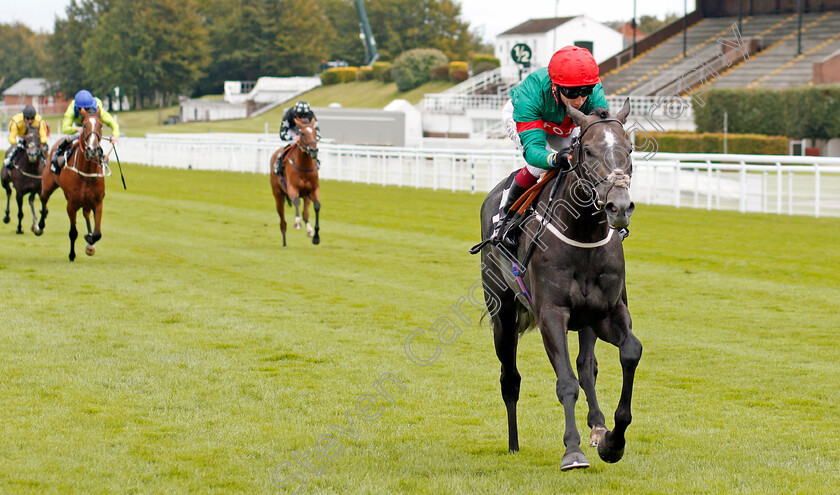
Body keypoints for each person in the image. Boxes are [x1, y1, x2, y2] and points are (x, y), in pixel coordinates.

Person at [492, 45, 609, 247]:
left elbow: (601, 137)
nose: (580, 100)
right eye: (573, 93)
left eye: (585, 92)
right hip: (526, 118)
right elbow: (534, 151)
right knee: (542, 165)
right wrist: (555, 158)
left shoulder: (595, 94)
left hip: (564, 123)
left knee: (586, 160)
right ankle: (505, 217)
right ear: (556, 86)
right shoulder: (531, 94)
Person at [51, 90, 120, 173]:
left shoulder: (98, 109)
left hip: (91, 129)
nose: (84, 111)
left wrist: (115, 135)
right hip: (78, 128)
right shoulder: (71, 109)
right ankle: (57, 155)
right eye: (80, 109)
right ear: (77, 108)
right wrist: (77, 129)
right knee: (71, 137)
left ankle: (103, 161)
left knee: (94, 139)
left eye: (87, 109)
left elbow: (113, 123)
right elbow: (65, 128)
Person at [275, 101, 320, 175]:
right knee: (292, 143)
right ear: (295, 114)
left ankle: (315, 161)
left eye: (305, 116)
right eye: (300, 116)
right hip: (292, 130)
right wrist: (292, 137)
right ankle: (279, 162)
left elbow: (317, 131)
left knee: (311, 145)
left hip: (306, 131)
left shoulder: (311, 114)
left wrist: (314, 138)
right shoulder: (289, 114)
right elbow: (282, 134)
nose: (302, 119)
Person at [4, 105, 48, 169]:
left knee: (45, 148)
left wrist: (41, 142)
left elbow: (43, 136)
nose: (30, 121)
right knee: (16, 148)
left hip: (33, 138)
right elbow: (11, 138)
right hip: (21, 137)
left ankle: (45, 162)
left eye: (32, 118)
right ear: (24, 117)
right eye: (27, 119)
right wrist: (16, 143)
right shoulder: (16, 121)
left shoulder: (39, 121)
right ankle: (9, 160)